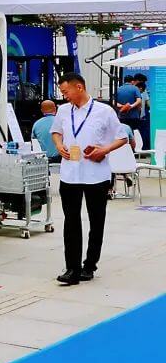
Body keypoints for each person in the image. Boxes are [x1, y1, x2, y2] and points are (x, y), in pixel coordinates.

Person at [50, 72, 128, 286]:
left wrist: (104, 150)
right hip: (70, 173)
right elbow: (56, 132)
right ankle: (72, 269)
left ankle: (90, 265)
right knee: (71, 221)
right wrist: (59, 145)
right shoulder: (64, 111)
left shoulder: (104, 111)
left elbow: (122, 137)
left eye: (66, 91)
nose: (64, 96)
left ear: (79, 88)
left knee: (96, 220)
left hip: (96, 174)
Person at [134, 76, 151, 149]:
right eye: (143, 81)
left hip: (136, 116)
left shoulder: (141, 91)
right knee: (142, 133)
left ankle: (139, 148)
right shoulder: (142, 91)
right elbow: (148, 104)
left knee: (137, 133)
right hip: (140, 116)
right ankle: (143, 148)